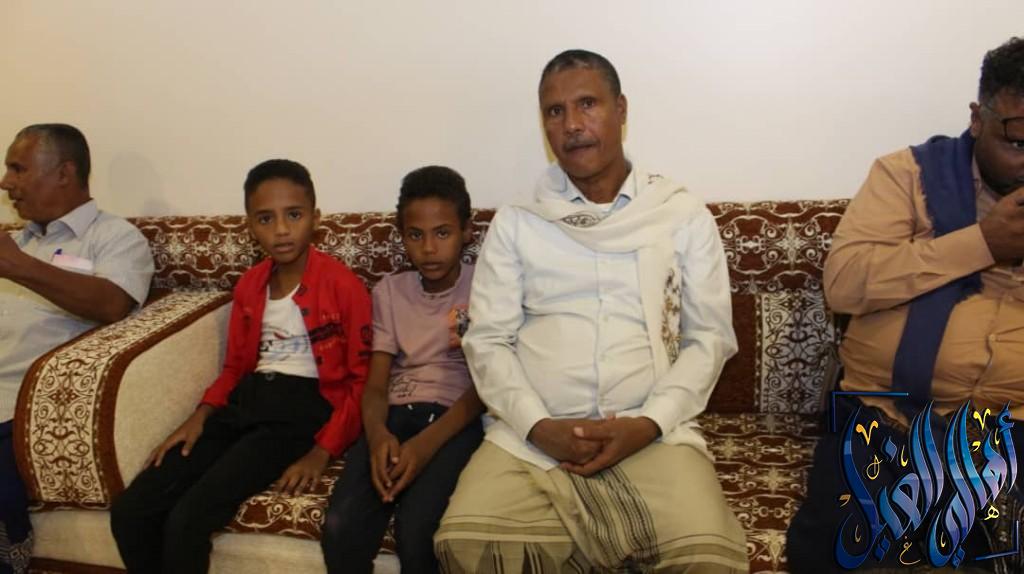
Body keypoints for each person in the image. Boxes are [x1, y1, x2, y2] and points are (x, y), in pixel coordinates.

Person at [433, 49, 749, 573]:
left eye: (587, 104)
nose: (572, 124)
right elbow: (487, 341)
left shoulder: (678, 213)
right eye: (555, 111)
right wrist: (538, 426)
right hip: (533, 442)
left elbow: (709, 339)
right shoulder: (520, 222)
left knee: (705, 555)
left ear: (620, 109)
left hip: (652, 434)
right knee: (466, 542)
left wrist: (648, 423)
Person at [786, 37, 1024, 573]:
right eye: (1018, 142)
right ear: (978, 119)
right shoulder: (907, 177)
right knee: (847, 551)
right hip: (888, 420)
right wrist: (982, 243)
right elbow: (844, 281)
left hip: (1013, 431)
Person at [109, 159, 371, 573]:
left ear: (315, 218)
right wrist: (201, 415)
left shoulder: (343, 286)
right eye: (266, 219)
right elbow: (234, 366)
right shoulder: (250, 285)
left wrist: (322, 451)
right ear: (250, 226)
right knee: (131, 512)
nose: (281, 230)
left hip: (302, 411)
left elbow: (362, 379)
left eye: (294, 215)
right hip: (246, 401)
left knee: (187, 520)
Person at [0, 124, 153, 573]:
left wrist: (20, 267)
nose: (6, 182)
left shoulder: (114, 238)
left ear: (64, 173)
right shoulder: (19, 241)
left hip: (29, 405)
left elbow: (111, 304)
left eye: (18, 169)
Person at [321, 165, 484, 574]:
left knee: (417, 532)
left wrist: (425, 445)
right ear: (402, 237)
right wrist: (378, 436)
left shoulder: (486, 286)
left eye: (442, 233)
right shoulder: (390, 292)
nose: (428, 248)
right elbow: (376, 385)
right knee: (339, 527)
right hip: (394, 417)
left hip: (454, 421)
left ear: (467, 231)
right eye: (415, 235)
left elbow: (488, 384)